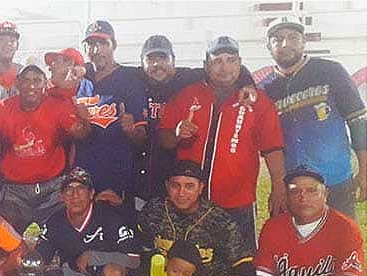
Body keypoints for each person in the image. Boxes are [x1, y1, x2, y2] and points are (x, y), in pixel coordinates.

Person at [158, 36, 287, 252]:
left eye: (231, 60)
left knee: (240, 267)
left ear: (240, 63)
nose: (224, 67)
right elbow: (164, 139)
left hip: (237, 202)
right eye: (217, 60)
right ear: (206, 65)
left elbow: (272, 148)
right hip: (190, 202)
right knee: (190, 264)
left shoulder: (258, 101)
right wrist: (177, 133)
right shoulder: (188, 94)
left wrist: (278, 187)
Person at [137, 161, 256, 276]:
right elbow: (142, 249)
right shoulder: (154, 211)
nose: (181, 192)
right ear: (168, 186)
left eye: (189, 186)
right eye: (176, 185)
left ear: (201, 187)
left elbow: (242, 258)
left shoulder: (218, 218)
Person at [259, 16, 367, 219]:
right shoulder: (266, 89)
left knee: (341, 243)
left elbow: (358, 121)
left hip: (335, 179)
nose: (285, 44)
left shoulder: (330, 70)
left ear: (304, 41)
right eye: (278, 39)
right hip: (292, 185)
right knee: (295, 245)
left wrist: (365, 169)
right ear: (268, 46)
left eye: (293, 37)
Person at [136, 35, 256, 201]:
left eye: (163, 58)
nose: (157, 64)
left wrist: (247, 83)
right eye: (150, 59)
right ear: (141, 62)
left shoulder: (187, 77)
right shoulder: (134, 79)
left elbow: (229, 71)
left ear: (174, 60)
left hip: (177, 176)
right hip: (142, 174)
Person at [0, 64, 90, 233]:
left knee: (59, 236)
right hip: (15, 191)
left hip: (53, 188)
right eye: (26, 81)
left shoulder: (57, 105)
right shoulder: (4, 107)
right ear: (17, 84)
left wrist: (84, 119)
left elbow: (80, 134)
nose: (31, 86)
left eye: (37, 81)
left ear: (45, 84)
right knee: (9, 240)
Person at [77, 20, 149, 224]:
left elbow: (141, 137)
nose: (96, 50)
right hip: (84, 174)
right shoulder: (82, 79)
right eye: (90, 45)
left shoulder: (130, 78)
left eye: (102, 44)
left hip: (118, 174)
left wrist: (131, 130)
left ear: (114, 46)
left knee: (118, 236)